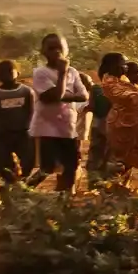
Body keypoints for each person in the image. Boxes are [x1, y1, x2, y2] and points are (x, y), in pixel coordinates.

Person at [30, 34, 89, 192]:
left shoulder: (73, 72)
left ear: (67, 50)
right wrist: (62, 75)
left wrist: (62, 95)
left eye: (60, 48)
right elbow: (52, 97)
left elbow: (84, 95)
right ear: (43, 51)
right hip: (47, 127)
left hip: (68, 127)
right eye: (51, 48)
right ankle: (22, 191)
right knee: (47, 167)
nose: (56, 52)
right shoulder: (40, 73)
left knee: (71, 166)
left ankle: (65, 198)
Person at [105, 57, 138, 185]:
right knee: (126, 157)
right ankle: (120, 182)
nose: (137, 75)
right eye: (133, 73)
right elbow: (127, 99)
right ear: (125, 74)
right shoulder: (122, 87)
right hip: (123, 127)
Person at [0, 60, 35, 185]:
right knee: (3, 162)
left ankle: (24, 183)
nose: (6, 74)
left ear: (18, 73)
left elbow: (31, 111)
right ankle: (8, 185)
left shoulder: (26, 92)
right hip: (3, 135)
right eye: (2, 72)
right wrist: (1, 127)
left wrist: (26, 125)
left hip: (23, 133)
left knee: (27, 160)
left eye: (9, 71)